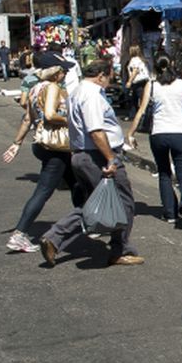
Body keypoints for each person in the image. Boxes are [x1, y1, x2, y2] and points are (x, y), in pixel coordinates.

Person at [39, 60, 144, 267]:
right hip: (96, 156)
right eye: (110, 77)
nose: (109, 81)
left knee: (93, 204)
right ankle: (119, 250)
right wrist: (110, 158)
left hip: (82, 155)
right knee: (123, 203)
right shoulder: (92, 95)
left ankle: (54, 238)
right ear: (101, 75)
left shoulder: (77, 92)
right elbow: (96, 130)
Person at [2, 63, 83, 253]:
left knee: (76, 182)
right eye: (63, 71)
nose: (65, 75)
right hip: (56, 145)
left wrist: (16, 143)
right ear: (56, 73)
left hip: (43, 143)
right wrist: (73, 119)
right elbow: (49, 114)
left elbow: (28, 119)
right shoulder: (53, 87)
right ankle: (19, 233)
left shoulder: (34, 89)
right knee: (44, 190)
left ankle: (86, 220)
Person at [127, 56, 182, 227]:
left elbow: (142, 111)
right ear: (173, 65)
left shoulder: (151, 85)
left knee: (164, 173)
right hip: (180, 133)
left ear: (156, 69)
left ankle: (170, 213)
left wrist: (130, 133)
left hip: (158, 134)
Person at [125, 45, 150, 122]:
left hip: (138, 81)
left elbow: (135, 71)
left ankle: (142, 116)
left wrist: (129, 81)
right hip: (143, 80)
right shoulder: (140, 59)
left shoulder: (134, 60)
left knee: (139, 98)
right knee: (135, 98)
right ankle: (134, 114)